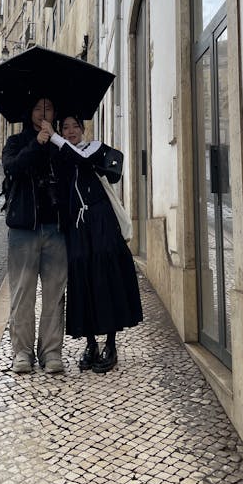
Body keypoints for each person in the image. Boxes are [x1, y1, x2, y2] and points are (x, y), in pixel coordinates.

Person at [41, 115, 143, 374]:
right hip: (78, 229)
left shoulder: (94, 147)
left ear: (84, 130)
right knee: (82, 282)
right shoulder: (61, 154)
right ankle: (90, 345)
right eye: (66, 127)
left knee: (105, 279)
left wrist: (55, 136)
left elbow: (83, 160)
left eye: (75, 126)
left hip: (101, 224)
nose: (71, 130)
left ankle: (110, 344)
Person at [1, 97, 67, 374]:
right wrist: (37, 143)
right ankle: (22, 353)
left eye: (49, 108)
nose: (43, 113)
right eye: (38, 108)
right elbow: (11, 168)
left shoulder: (61, 145)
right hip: (23, 228)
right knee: (22, 294)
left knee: (55, 294)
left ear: (55, 113)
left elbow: (71, 173)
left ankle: (51, 352)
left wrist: (55, 143)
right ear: (30, 113)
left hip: (55, 228)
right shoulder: (15, 143)